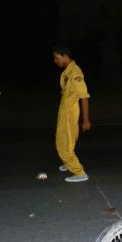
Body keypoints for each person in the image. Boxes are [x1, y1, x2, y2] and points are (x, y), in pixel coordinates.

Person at [52, 45, 91, 182]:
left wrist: (86, 119)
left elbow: (84, 97)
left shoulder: (75, 72)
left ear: (65, 56)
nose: (56, 61)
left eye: (57, 58)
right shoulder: (67, 72)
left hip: (70, 113)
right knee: (67, 139)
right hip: (64, 111)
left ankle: (79, 172)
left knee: (64, 142)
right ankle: (68, 162)